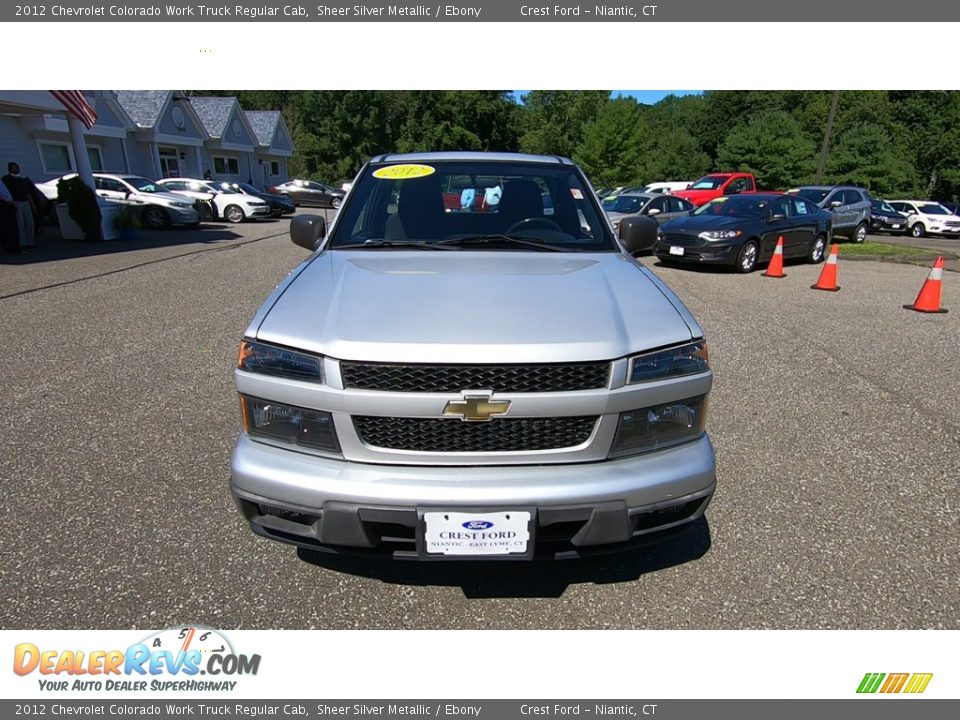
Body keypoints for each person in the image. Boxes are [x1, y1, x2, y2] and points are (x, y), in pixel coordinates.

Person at [2, 162, 36, 247]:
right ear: (10, 169)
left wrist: (32, 205)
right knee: (20, 223)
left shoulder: (22, 179)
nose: (16, 169)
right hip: (16, 202)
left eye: (17, 167)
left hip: (25, 202)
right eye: (14, 168)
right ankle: (22, 242)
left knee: (29, 222)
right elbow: (6, 192)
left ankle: (30, 242)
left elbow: (28, 193)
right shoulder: (6, 179)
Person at [0, 178, 23, 254]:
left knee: (10, 227)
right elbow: (3, 194)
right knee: (9, 227)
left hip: (8, 203)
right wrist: (9, 202)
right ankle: (11, 248)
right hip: (4, 204)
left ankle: (11, 247)